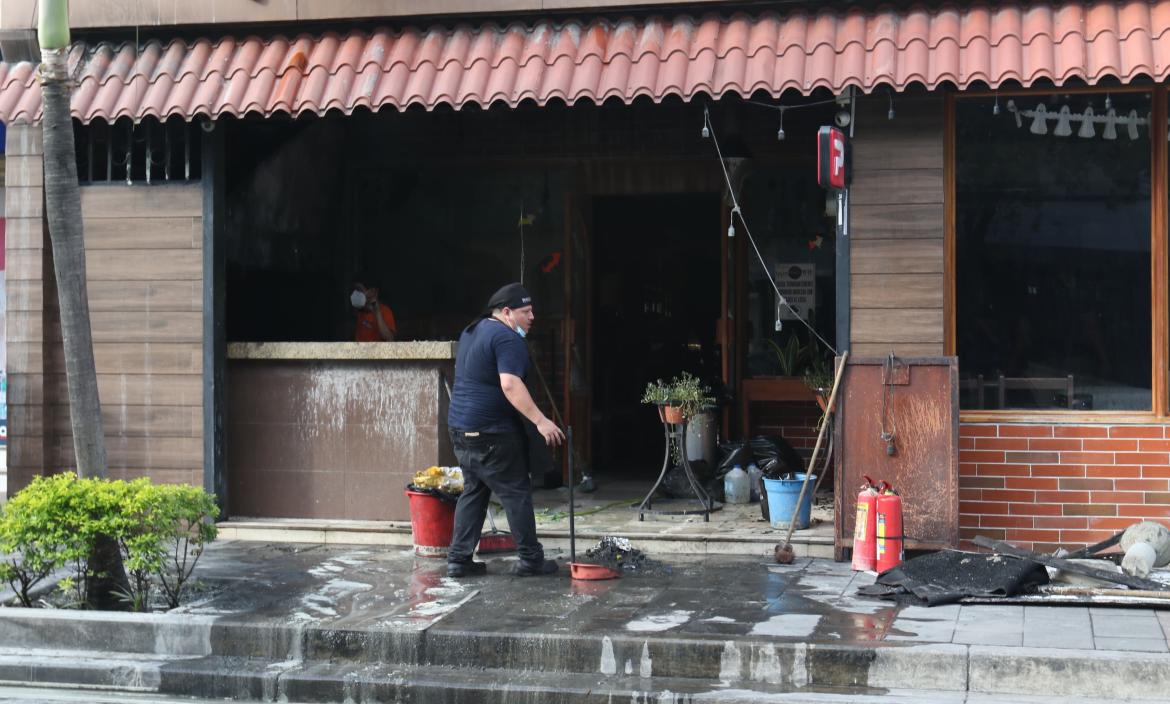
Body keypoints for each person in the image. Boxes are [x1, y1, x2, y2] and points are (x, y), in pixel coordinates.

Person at [446, 282, 565, 578]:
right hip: (492, 433)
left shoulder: (472, 331)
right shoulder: (507, 338)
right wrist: (541, 421)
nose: (532, 317)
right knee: (515, 492)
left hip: (461, 429)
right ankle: (531, 559)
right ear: (508, 312)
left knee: (474, 490)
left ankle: (459, 560)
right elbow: (510, 384)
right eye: (526, 311)